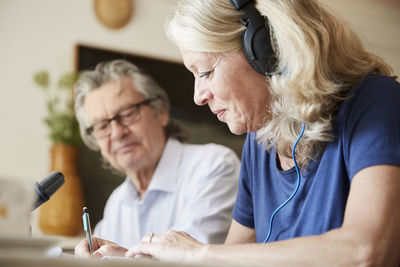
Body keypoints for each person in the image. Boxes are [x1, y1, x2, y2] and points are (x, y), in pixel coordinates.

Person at [117, 0, 399, 265]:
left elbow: (366, 251)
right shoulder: (261, 138)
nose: (198, 96)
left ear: (266, 50)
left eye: (204, 72)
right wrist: (135, 260)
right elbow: (231, 259)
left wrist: (199, 253)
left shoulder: (376, 102)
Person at [73, 59, 240, 256]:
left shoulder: (214, 165)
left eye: (127, 114)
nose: (117, 133)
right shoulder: (116, 203)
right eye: (102, 126)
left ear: (160, 112)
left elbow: (191, 260)